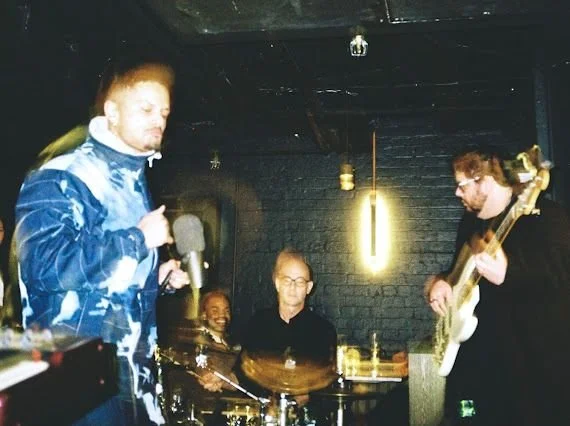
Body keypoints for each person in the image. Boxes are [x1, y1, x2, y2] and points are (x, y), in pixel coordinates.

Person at [14, 57, 190, 425]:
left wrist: (155, 280)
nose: (159, 119)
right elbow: (43, 266)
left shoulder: (131, 180)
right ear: (112, 111)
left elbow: (108, 283)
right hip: (73, 375)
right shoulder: (64, 174)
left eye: (164, 112)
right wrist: (137, 239)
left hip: (129, 373)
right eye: (146, 109)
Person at [424, 145, 570, 426]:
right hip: (476, 376)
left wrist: (509, 273)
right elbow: (458, 274)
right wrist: (440, 283)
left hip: (529, 383)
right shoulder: (469, 225)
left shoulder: (547, 218)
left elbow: (560, 278)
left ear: (486, 181)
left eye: (462, 185)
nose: (457, 193)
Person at [200, 248, 337, 420]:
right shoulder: (258, 323)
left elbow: (329, 388)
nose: (293, 287)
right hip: (262, 417)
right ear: (277, 283)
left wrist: (303, 398)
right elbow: (242, 375)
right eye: (287, 280)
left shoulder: (323, 331)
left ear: (309, 288)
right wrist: (223, 380)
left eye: (300, 281)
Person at [161, 289, 241, 425]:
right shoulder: (194, 343)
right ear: (204, 314)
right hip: (206, 416)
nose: (222, 315)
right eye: (215, 310)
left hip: (234, 413)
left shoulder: (237, 344)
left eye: (226, 310)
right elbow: (199, 369)